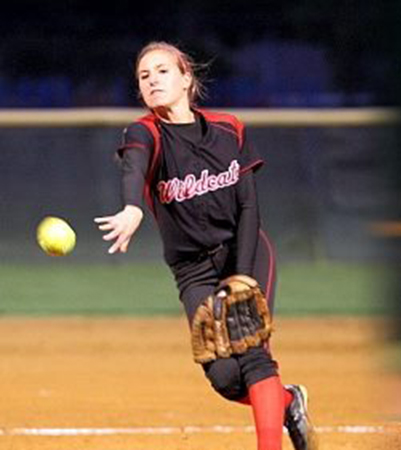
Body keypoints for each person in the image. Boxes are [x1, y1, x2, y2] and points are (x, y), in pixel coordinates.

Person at [94, 41, 317, 450]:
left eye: (163, 70)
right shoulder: (145, 133)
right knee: (225, 378)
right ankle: (287, 403)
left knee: (252, 351)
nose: (152, 80)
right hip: (193, 271)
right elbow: (134, 167)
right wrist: (132, 206)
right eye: (144, 76)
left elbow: (248, 207)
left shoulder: (228, 128)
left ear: (186, 78)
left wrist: (243, 276)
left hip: (243, 249)